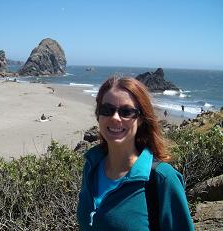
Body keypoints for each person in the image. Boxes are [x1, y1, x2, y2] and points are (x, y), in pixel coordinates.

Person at [77, 76, 194, 230]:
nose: (115, 118)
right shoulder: (92, 166)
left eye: (126, 112)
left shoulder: (162, 179)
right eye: (107, 110)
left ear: (140, 119)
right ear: (98, 115)